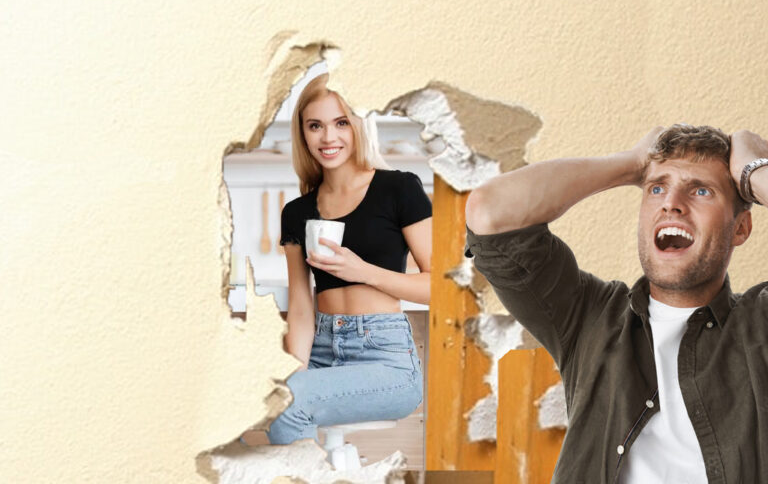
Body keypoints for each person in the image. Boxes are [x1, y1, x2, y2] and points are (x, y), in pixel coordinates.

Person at [464, 124, 768, 483]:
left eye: (701, 191)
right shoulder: (590, 317)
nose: (671, 203)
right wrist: (633, 163)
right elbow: (490, 212)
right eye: (657, 188)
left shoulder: (758, 325)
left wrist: (753, 169)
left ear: (740, 228)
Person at [265, 73, 432, 445]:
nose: (328, 137)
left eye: (341, 123)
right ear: (303, 134)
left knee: (291, 403)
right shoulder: (297, 212)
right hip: (323, 347)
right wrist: (298, 372)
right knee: (271, 401)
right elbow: (301, 306)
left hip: (386, 359)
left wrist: (363, 271)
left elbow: (442, 287)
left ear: (358, 126)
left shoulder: (398, 189)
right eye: (315, 126)